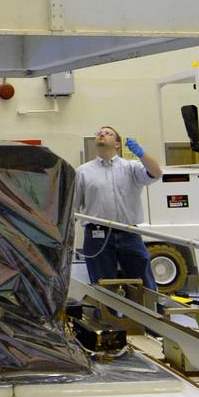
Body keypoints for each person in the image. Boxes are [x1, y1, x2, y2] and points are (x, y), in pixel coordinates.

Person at [74, 125, 162, 292]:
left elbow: (156, 173)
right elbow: (74, 207)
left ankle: (150, 314)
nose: (102, 134)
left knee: (143, 282)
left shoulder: (131, 167)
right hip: (96, 235)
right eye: (99, 133)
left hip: (128, 233)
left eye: (108, 133)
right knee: (102, 285)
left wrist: (142, 155)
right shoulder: (83, 172)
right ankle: (107, 317)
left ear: (117, 144)